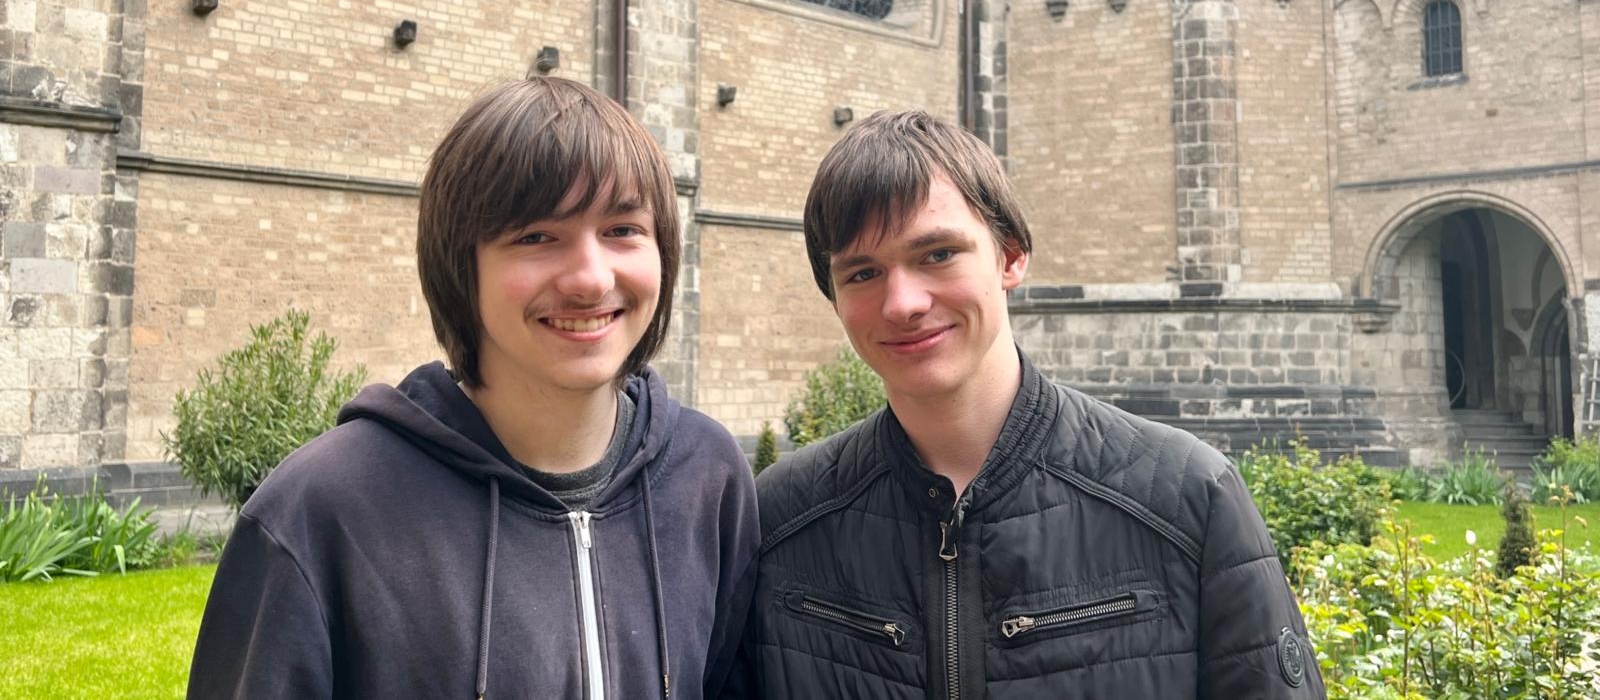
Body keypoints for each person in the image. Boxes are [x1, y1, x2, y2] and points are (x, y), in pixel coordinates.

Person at [188, 77, 759, 699]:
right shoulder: (319, 511)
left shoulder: (709, 475)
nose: (591, 280)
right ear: (461, 267)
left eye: (622, 229)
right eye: (537, 236)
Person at [742, 110, 1325, 698]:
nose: (902, 303)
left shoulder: (1186, 499)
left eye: (937, 254)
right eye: (863, 272)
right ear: (835, 299)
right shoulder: (782, 518)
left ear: (1011, 256)